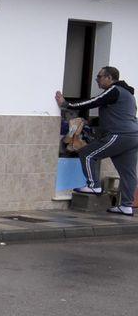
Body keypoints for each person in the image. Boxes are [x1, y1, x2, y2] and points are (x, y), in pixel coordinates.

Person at [57, 65, 138, 217]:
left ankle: (94, 186)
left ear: (109, 78)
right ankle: (126, 206)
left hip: (119, 135)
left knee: (87, 153)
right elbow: (116, 116)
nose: (97, 80)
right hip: (133, 136)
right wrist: (90, 123)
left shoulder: (114, 90)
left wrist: (67, 104)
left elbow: (94, 102)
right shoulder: (128, 95)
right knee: (128, 174)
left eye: (99, 77)